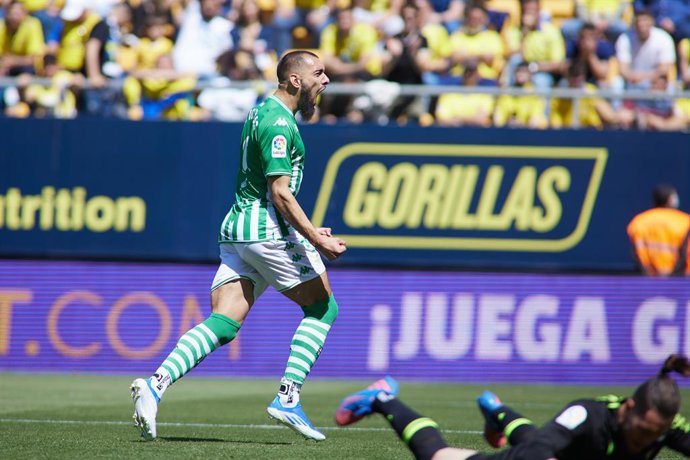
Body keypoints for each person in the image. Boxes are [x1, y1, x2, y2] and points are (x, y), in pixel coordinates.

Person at [130, 50, 346, 442]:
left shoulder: (260, 112)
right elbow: (279, 193)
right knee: (322, 308)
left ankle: (155, 385)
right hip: (265, 230)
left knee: (224, 322)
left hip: (239, 230)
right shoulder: (280, 124)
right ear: (295, 80)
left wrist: (306, 229)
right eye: (319, 73)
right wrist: (314, 236)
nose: (326, 79)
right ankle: (287, 397)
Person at [335, 354, 690, 459]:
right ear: (628, 409)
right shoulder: (587, 415)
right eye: (644, 431)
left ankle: (498, 411)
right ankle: (383, 398)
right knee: (436, 457)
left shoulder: (663, 424)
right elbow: (536, 450)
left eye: (656, 434)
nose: (649, 439)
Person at [627, 184, 690, 276]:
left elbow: (637, 253)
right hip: (679, 280)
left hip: (648, 279)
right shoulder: (685, 222)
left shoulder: (639, 221)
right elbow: (686, 254)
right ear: (671, 199)